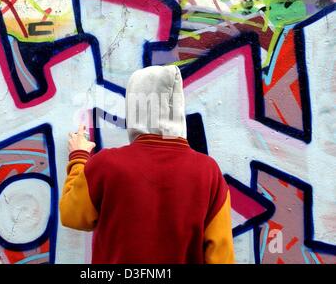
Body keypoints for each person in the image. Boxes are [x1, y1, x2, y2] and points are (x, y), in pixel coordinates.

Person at [59, 65, 234, 264]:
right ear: (177, 107)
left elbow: (72, 215)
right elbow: (221, 256)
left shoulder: (106, 165)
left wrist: (79, 157)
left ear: (135, 107)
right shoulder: (208, 172)